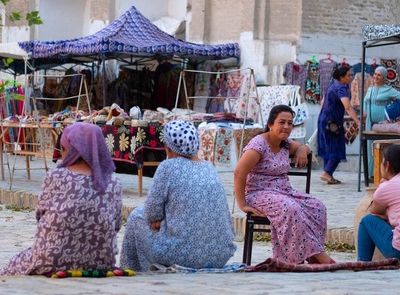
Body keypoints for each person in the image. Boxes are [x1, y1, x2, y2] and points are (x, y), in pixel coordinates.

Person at [0, 123, 123, 275]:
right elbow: (116, 225)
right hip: (101, 261)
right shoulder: (113, 183)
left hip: (52, 259)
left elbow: (40, 215)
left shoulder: (55, 177)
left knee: (10, 266)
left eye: (63, 149)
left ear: (70, 150)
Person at [120, 120, 236, 271]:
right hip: (219, 255)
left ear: (168, 148)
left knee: (136, 216)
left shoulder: (167, 167)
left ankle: (131, 270)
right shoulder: (209, 168)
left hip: (180, 254)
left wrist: (159, 219)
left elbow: (150, 213)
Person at [234, 104, 334, 265]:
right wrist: (242, 204)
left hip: (283, 192)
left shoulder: (285, 143)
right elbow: (239, 172)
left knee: (318, 207)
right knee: (291, 208)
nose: (286, 126)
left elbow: (304, 146)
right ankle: (300, 258)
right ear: (270, 124)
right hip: (259, 193)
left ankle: (312, 254)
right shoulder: (258, 145)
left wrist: (302, 149)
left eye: (290, 123)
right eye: (282, 122)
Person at [318, 66, 360, 184]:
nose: (351, 77)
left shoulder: (331, 86)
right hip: (333, 122)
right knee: (337, 147)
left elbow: (322, 102)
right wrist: (357, 121)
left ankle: (328, 175)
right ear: (341, 78)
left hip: (323, 119)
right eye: (348, 75)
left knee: (328, 148)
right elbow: (347, 106)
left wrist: (323, 117)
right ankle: (326, 173)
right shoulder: (341, 88)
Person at [358, 144, 400, 261]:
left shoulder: (387, 187)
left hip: (398, 251)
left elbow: (375, 212)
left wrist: (384, 184)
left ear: (387, 165)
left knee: (367, 221)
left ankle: (362, 262)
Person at [364, 66, 400, 181]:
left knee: (382, 146)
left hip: (383, 121)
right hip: (370, 121)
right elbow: (366, 101)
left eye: (379, 75)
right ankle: (371, 174)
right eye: (375, 74)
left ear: (384, 77)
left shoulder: (388, 89)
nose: (376, 77)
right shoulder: (370, 89)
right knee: (370, 147)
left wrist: (393, 111)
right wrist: (364, 111)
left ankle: (383, 174)